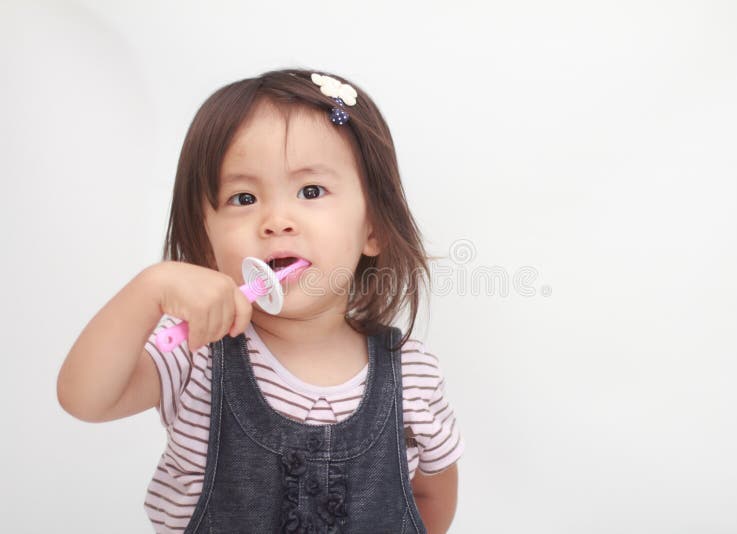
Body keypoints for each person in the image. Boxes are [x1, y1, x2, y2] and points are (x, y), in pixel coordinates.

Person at [57, 69, 464, 533]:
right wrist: (149, 290)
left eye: (310, 191)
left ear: (373, 228)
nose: (275, 220)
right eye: (243, 197)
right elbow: (85, 398)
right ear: (205, 237)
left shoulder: (413, 372)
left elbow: (432, 494)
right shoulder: (199, 356)